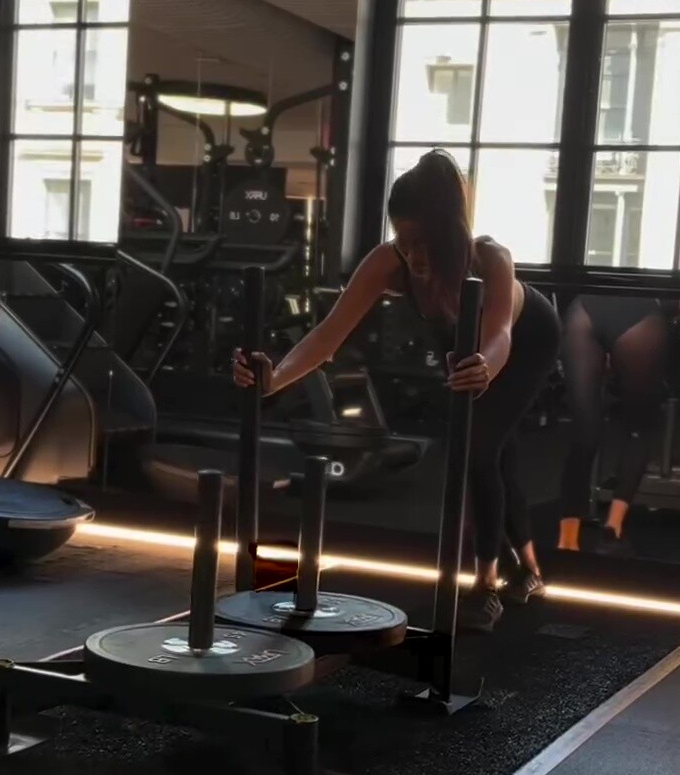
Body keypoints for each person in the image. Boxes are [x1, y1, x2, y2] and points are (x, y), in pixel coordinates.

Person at [232, 149, 561, 630]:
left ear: (449, 233)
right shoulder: (389, 261)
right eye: (405, 242)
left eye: (423, 243)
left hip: (527, 339)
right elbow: (328, 335)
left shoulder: (490, 258)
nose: (414, 256)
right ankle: (526, 569)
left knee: (479, 448)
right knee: (492, 449)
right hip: (469, 348)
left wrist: (484, 367)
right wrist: (275, 379)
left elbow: (500, 337)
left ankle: (486, 584)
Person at [557, 293, 680, 553]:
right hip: (639, 320)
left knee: (585, 431)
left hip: (583, 311)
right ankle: (612, 527)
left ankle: (567, 541)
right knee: (641, 427)